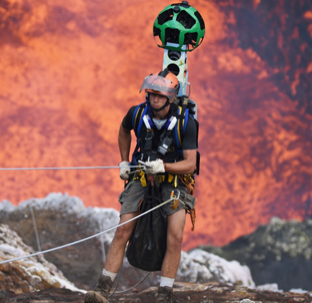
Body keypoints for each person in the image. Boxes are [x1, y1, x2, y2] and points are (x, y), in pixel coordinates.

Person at [84, 68, 197, 303]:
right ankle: (102, 290)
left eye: (160, 95)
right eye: (152, 93)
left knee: (174, 236)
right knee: (123, 228)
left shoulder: (186, 123)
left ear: (171, 96)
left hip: (173, 181)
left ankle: (164, 295)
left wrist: (163, 168)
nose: (154, 98)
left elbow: (189, 164)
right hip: (140, 176)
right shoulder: (137, 114)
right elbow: (124, 130)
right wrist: (124, 160)